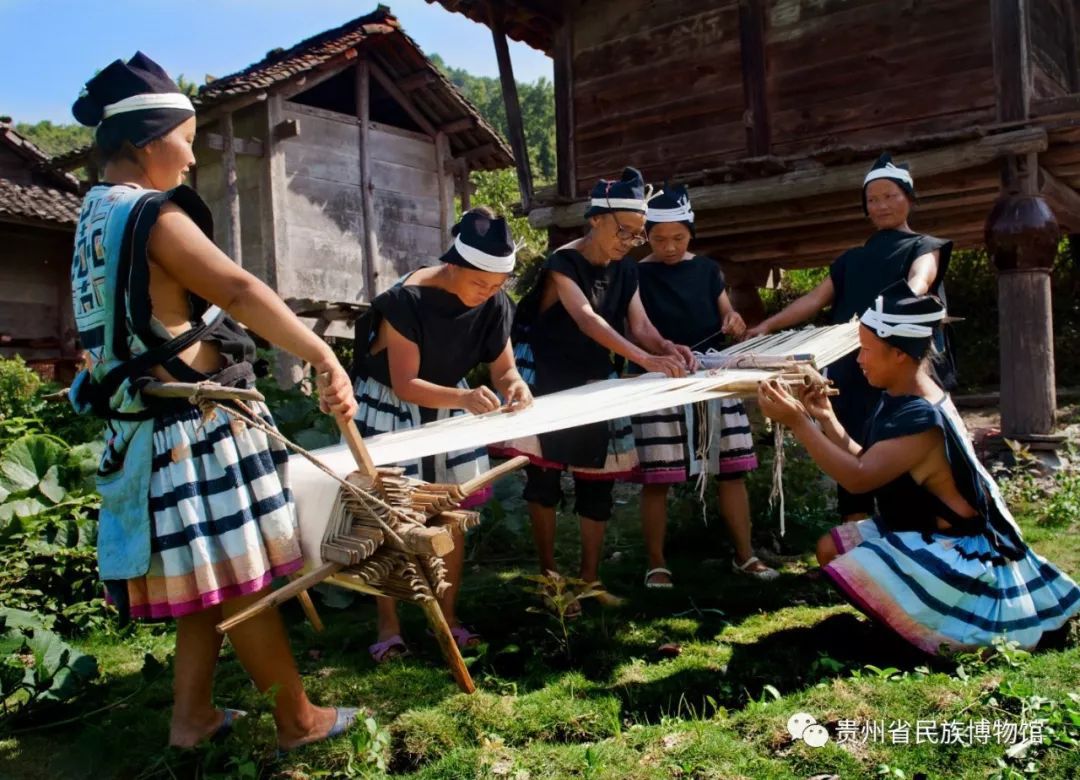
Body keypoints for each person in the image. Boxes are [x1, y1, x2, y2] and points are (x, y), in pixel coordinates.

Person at [68, 53, 361, 749]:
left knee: (215, 572)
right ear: (144, 140)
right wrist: (321, 354)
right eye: (187, 139)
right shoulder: (149, 212)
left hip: (150, 427)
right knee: (247, 577)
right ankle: (298, 718)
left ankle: (190, 718)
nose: (192, 156)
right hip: (192, 429)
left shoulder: (92, 217)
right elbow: (238, 290)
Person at [756, 281, 1080, 653]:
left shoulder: (921, 416)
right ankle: (910, 622)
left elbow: (858, 479)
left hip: (959, 549)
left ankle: (935, 628)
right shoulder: (903, 394)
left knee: (861, 568)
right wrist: (825, 418)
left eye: (865, 350)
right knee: (831, 548)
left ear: (898, 354)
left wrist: (798, 422)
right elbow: (869, 460)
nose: (858, 360)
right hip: (920, 528)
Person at [491, 167, 694, 611]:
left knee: (596, 483)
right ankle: (549, 578)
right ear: (596, 219)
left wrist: (666, 347)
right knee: (543, 479)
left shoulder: (626, 271)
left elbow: (638, 325)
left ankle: (588, 581)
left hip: (595, 379)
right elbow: (587, 318)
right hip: (546, 378)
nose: (629, 241)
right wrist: (646, 362)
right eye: (624, 230)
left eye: (638, 235)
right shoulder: (562, 262)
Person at [350, 208, 532, 662]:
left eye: (497, 286)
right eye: (479, 284)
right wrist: (466, 399)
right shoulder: (405, 302)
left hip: (451, 404)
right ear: (453, 265)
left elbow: (504, 367)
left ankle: (447, 618)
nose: (488, 294)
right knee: (388, 518)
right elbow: (406, 383)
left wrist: (515, 386)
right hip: (393, 407)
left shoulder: (493, 302)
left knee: (451, 511)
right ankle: (389, 626)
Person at [746, 153, 953, 522]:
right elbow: (814, 299)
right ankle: (855, 551)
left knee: (898, 449)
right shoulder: (850, 260)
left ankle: (912, 531)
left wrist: (892, 313)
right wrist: (768, 326)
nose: (882, 205)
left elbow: (918, 283)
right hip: (852, 367)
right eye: (873, 199)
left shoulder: (925, 246)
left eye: (890, 195)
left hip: (898, 365)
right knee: (848, 444)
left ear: (909, 197)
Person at [630, 185, 777, 586]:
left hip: (710, 376)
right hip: (658, 379)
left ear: (691, 232)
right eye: (659, 239)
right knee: (659, 475)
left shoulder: (708, 270)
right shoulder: (636, 274)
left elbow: (729, 316)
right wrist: (661, 356)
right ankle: (656, 562)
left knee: (731, 470)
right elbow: (637, 328)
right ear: (646, 237)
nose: (670, 247)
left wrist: (734, 322)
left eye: (678, 238)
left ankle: (745, 556)